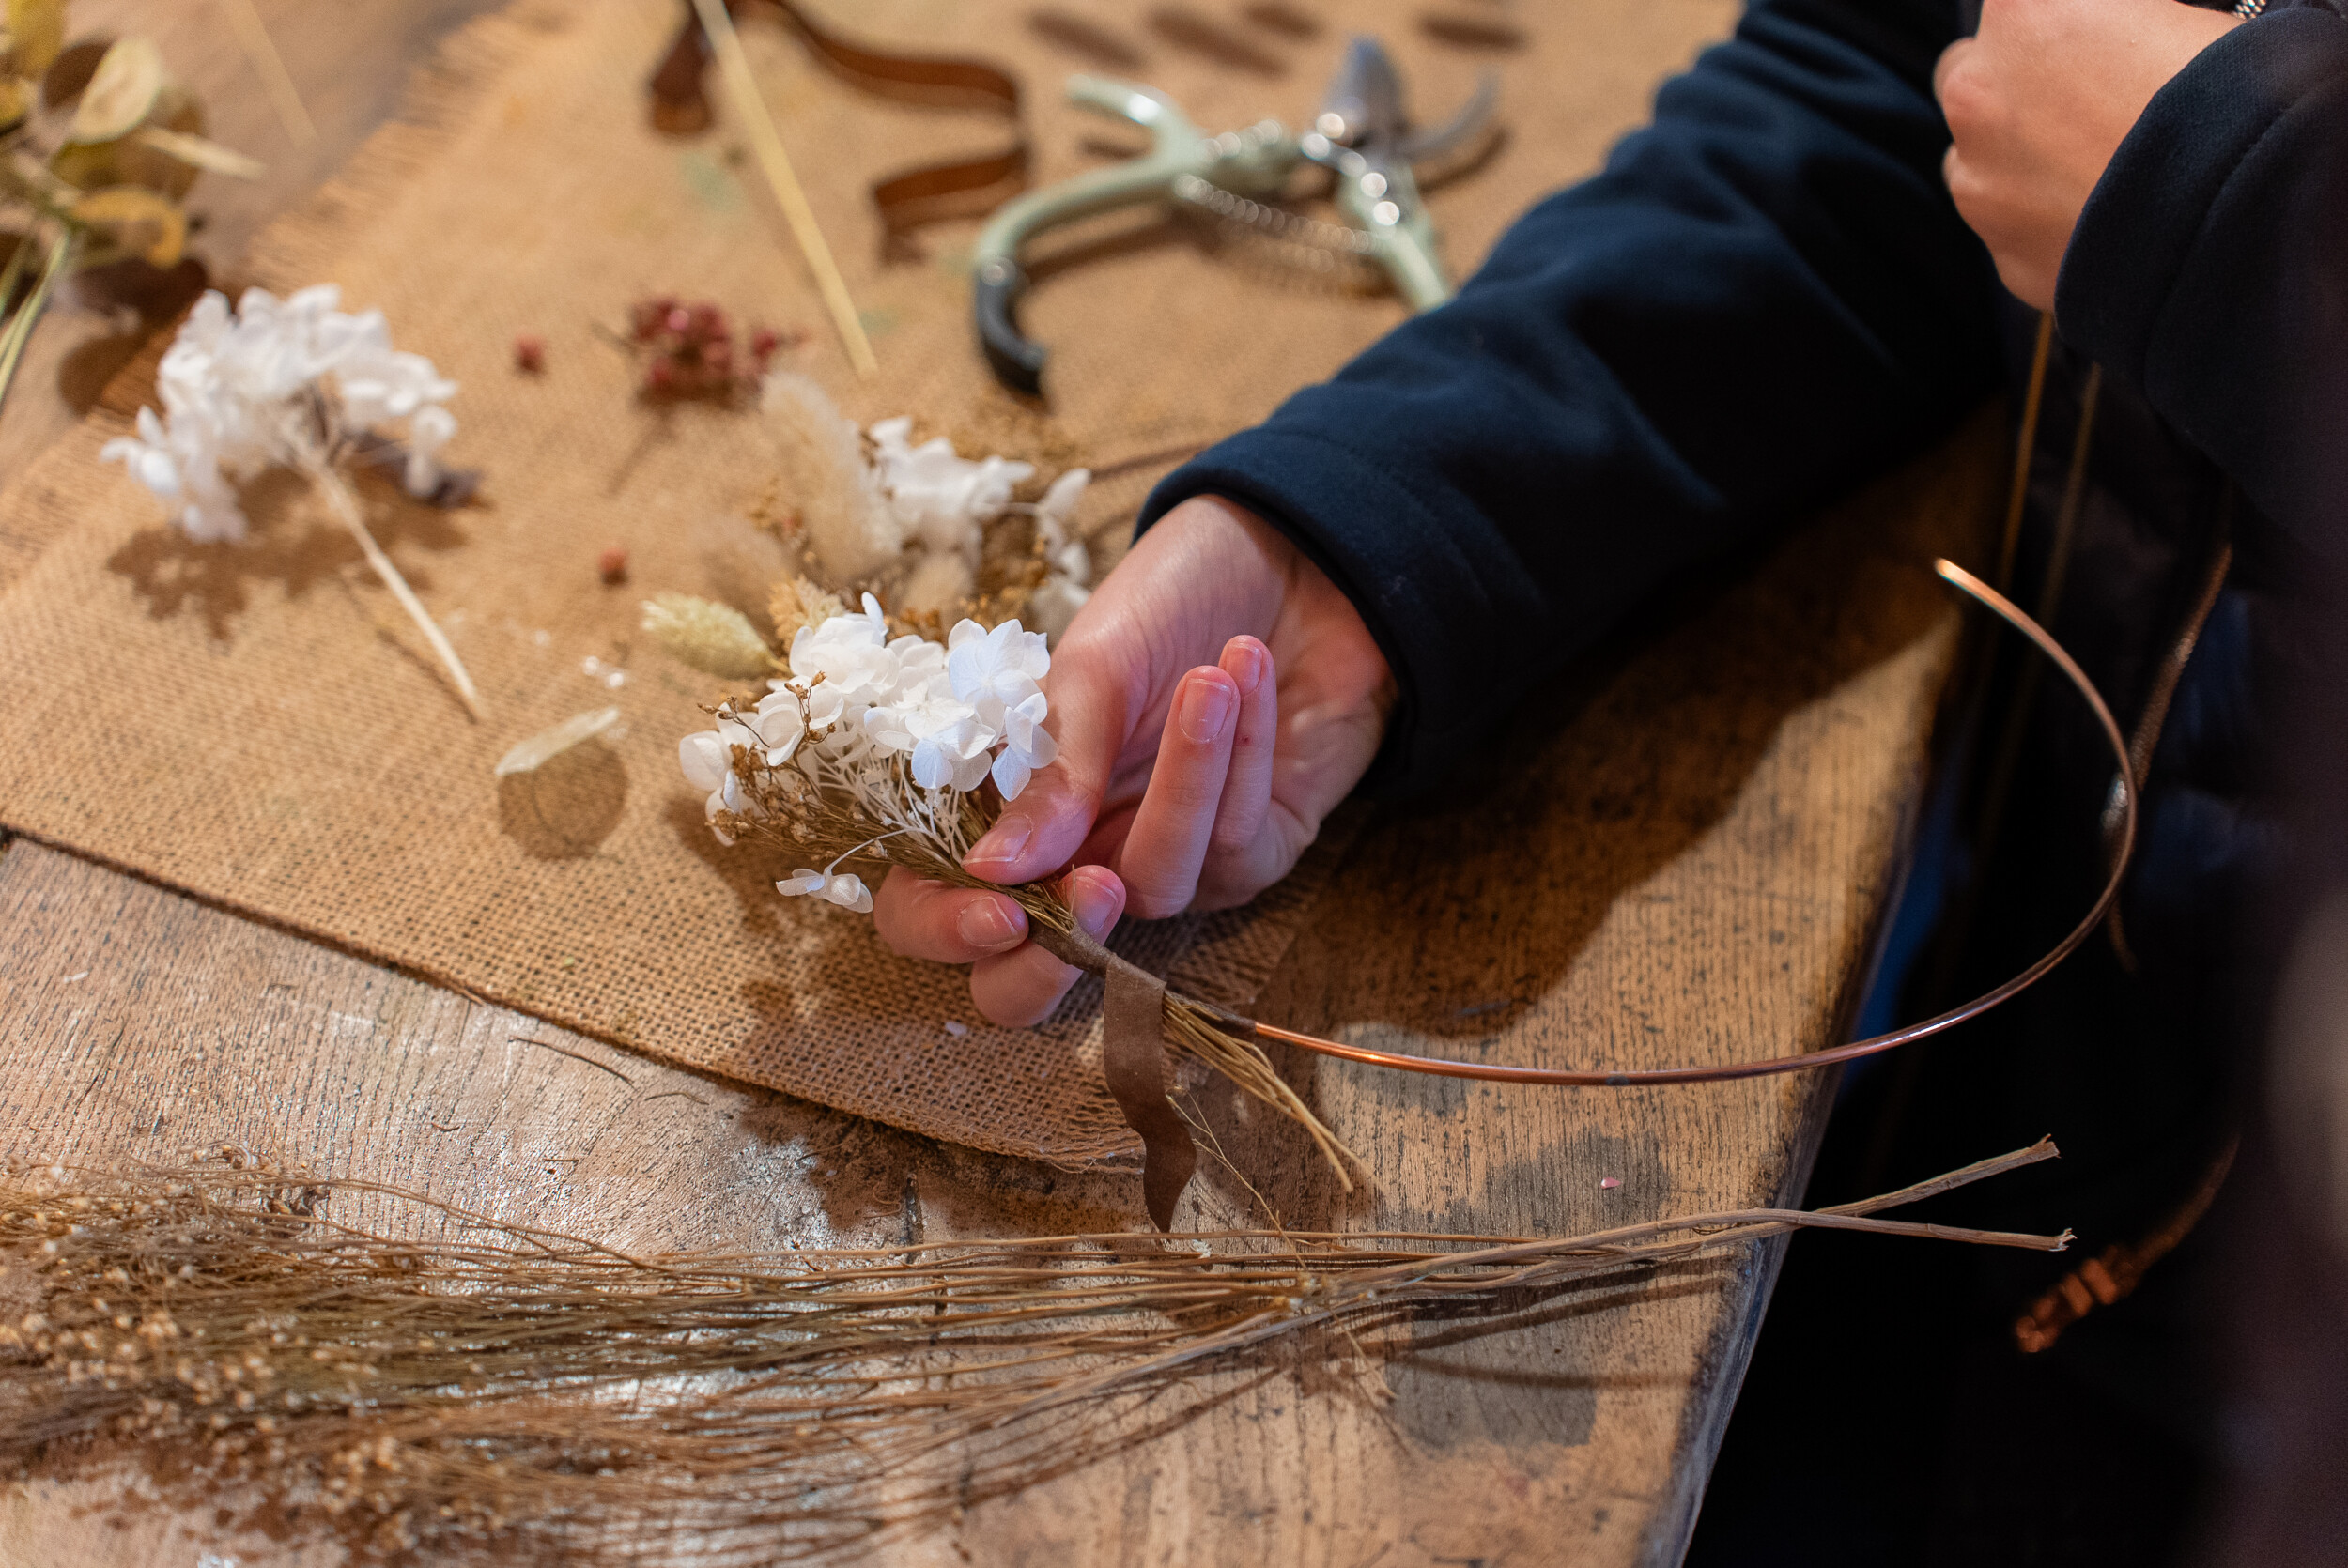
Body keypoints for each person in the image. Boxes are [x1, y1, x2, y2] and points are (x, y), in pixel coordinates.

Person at [878, 0, 2348, 1557]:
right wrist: (1375, 538)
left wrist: (2246, 209)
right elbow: (1899, 107)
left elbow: (2133, 148)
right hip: (2043, 1089)